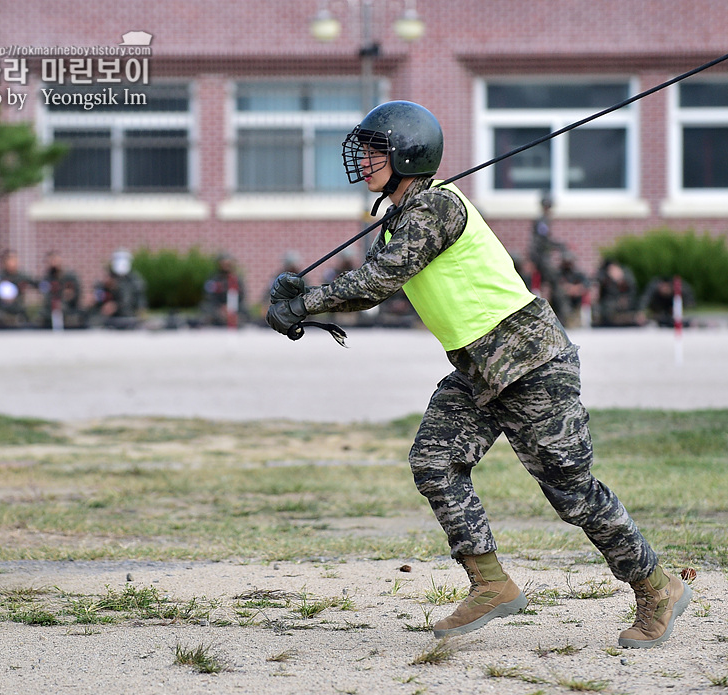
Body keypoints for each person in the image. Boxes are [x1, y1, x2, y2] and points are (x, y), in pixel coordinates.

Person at [267, 101, 690, 648]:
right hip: (478, 369)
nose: (363, 158)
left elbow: (379, 282)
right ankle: (491, 583)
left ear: (405, 155)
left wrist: (307, 304)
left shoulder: (435, 209)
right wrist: (307, 295)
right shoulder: (400, 219)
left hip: (531, 361)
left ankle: (657, 587)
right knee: (434, 460)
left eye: (374, 149)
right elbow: (373, 273)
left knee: (573, 494)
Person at [528, 192, 568, 308]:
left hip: (541, 256)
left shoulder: (543, 220)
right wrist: (559, 246)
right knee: (554, 280)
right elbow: (542, 240)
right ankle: (560, 310)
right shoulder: (542, 221)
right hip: (541, 257)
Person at [91, 249, 147, 329]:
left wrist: (115, 306)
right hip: (108, 320)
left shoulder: (134, 280)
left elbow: (134, 302)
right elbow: (99, 297)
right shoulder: (108, 279)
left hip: (127, 319)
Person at [0, 249, 34, 328]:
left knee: (25, 310)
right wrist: (2, 296)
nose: (12, 263)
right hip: (0, 305)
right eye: (10, 260)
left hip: (16, 304)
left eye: (14, 260)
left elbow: (35, 283)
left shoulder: (21, 276)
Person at [197, 253, 248, 327]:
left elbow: (242, 297)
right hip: (217, 308)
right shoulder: (213, 280)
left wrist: (231, 308)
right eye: (224, 263)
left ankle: (234, 319)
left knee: (245, 310)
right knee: (205, 307)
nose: (226, 266)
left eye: (228, 263)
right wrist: (221, 308)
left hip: (234, 308)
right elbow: (209, 297)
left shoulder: (237, 280)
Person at [37, 251, 85, 329]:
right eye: (51, 261)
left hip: (69, 309)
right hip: (51, 311)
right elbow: (46, 295)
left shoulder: (69, 277)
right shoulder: (47, 279)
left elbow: (77, 294)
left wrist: (69, 296)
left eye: (55, 260)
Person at [595, 260, 640, 327]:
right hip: (611, 306)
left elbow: (633, 289)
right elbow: (604, 293)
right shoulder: (604, 275)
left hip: (626, 303)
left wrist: (621, 278)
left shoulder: (626, 272)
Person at [555, 253, 591, 328]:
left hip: (576, 303)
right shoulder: (558, 274)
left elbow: (586, 284)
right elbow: (556, 286)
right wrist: (567, 289)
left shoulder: (577, 274)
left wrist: (576, 289)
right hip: (561, 305)